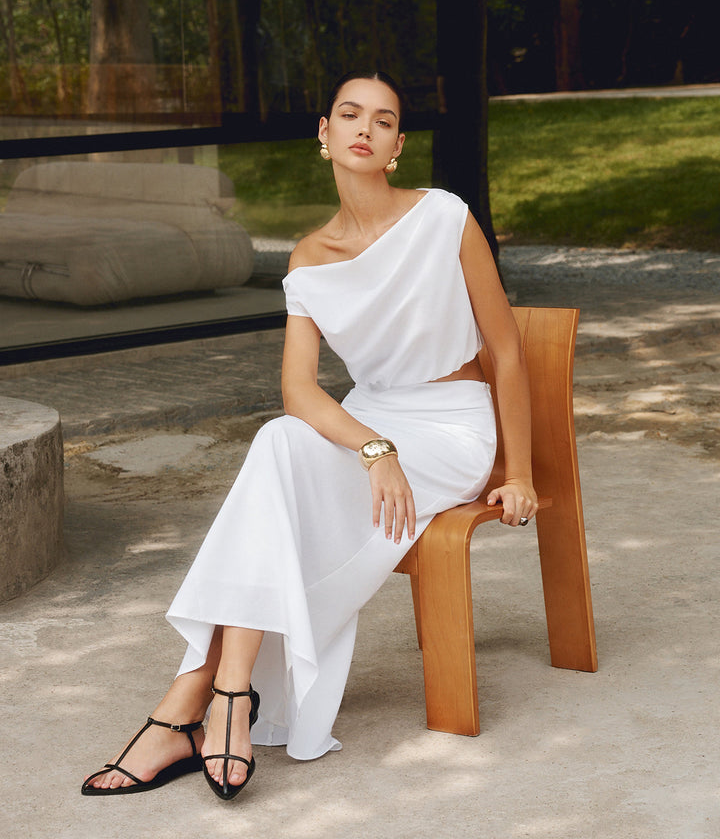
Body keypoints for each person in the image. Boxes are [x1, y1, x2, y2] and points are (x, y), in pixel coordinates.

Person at [81, 71, 538, 801]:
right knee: (277, 445)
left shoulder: (444, 217)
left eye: (383, 120)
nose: (364, 127)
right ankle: (224, 698)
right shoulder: (308, 258)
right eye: (349, 114)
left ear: (396, 146)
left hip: (452, 428)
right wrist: (373, 447)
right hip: (373, 422)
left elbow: (507, 352)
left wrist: (521, 472)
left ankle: (192, 704)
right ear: (323, 135)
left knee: (278, 467)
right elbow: (298, 391)